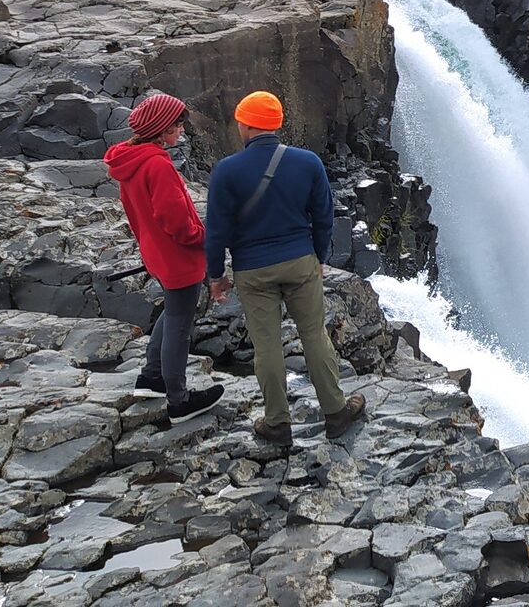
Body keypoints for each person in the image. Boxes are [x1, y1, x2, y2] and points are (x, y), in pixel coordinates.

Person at [205, 90, 365, 447]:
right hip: (300, 262)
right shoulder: (307, 162)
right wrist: (320, 257)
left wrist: (216, 276)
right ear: (276, 124)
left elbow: (216, 230)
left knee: (267, 346)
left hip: (252, 270)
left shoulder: (227, 171)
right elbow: (324, 215)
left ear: (245, 125)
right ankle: (336, 413)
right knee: (313, 334)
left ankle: (277, 423)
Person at [104, 91, 226, 423]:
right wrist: (206, 237)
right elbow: (176, 222)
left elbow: (138, 214)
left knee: (172, 313)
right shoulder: (157, 164)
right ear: (160, 129)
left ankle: (152, 377)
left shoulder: (129, 159)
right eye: (177, 125)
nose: (182, 130)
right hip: (178, 258)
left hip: (157, 253)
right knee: (179, 325)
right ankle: (179, 400)